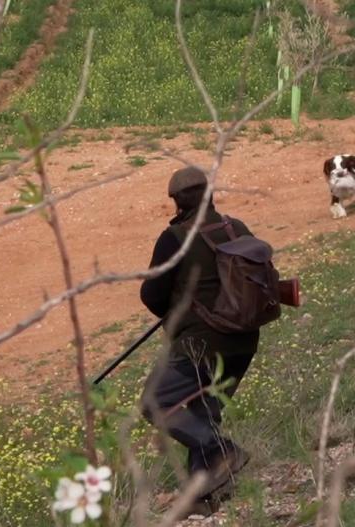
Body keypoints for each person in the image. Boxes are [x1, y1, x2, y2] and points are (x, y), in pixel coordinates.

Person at [139, 166, 258, 517]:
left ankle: (223, 450)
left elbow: (151, 294)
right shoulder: (236, 228)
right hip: (244, 341)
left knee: (155, 403)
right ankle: (203, 498)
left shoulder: (175, 238)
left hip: (201, 343)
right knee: (201, 411)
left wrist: (177, 309)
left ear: (177, 202)